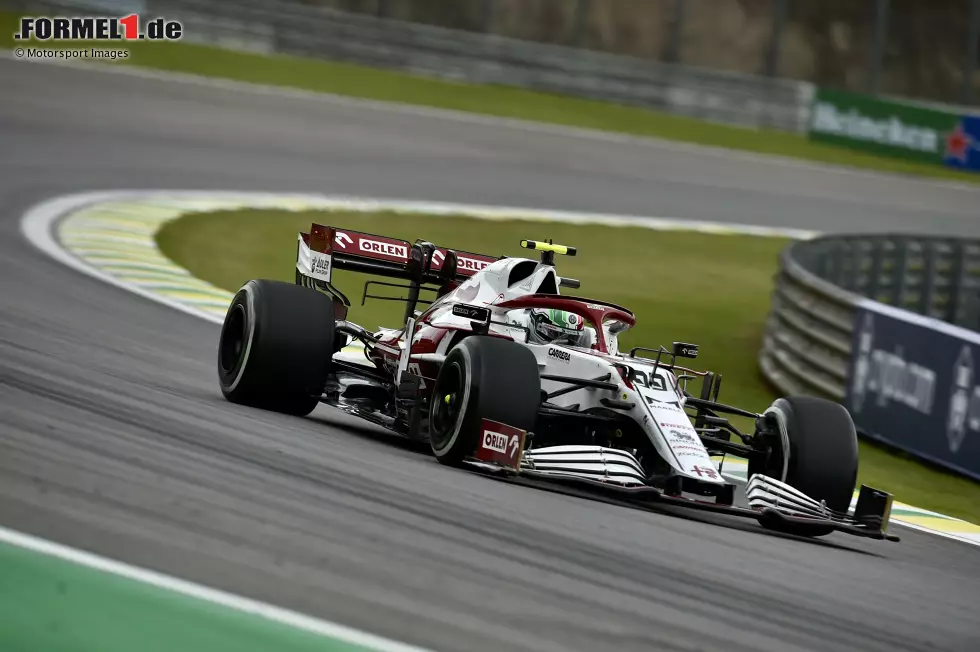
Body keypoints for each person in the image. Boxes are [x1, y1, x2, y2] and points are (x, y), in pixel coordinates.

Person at [509, 308, 596, 349]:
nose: (564, 341)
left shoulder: (588, 336)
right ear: (537, 325)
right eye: (555, 334)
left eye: (571, 337)